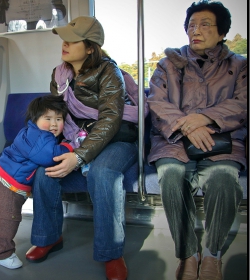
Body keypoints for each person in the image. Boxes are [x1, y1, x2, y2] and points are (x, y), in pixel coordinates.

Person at [25, 16, 141, 280]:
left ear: (90, 47)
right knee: (45, 171)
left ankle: (111, 253)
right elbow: (58, 114)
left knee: (103, 173)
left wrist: (77, 157)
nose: (64, 44)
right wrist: (50, 146)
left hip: (117, 139)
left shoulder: (109, 72)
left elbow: (111, 120)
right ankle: (49, 237)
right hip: (77, 138)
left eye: (72, 40)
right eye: (64, 38)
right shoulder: (59, 74)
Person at [147, 1, 247, 280]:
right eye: (191, 25)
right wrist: (187, 126)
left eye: (205, 25)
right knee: (171, 175)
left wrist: (203, 118)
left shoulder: (239, 65)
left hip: (222, 140)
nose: (196, 30)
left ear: (222, 33)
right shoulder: (168, 64)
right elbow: (156, 102)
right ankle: (188, 254)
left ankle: (213, 254)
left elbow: (243, 103)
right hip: (174, 140)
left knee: (225, 181)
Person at [0, 95, 73, 269]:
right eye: (48, 118)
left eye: (58, 119)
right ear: (35, 119)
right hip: (10, 184)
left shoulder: (33, 132)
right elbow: (49, 157)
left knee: (5, 215)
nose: (53, 124)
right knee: (11, 218)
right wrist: (69, 147)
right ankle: (3, 253)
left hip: (4, 178)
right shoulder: (41, 138)